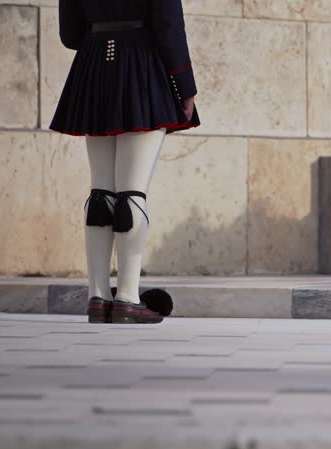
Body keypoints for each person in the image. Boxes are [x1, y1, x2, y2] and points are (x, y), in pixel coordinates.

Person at [50, 0, 200, 324]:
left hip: (93, 66)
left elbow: (70, 34)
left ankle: (98, 296)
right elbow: (168, 25)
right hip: (141, 65)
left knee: (101, 191)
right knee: (132, 192)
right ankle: (128, 299)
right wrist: (185, 87)